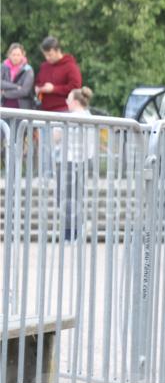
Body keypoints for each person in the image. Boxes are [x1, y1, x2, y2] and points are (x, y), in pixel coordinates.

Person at [52, 87, 97, 240]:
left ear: (75, 102)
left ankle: (71, 232)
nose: (66, 102)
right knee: (76, 197)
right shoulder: (91, 117)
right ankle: (76, 228)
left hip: (69, 160)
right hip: (84, 161)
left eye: (68, 99)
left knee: (64, 198)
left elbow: (56, 137)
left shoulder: (70, 118)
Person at [34, 36, 82, 113]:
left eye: (50, 54)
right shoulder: (44, 66)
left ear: (58, 51)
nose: (47, 58)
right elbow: (38, 81)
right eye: (45, 55)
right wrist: (38, 88)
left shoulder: (71, 66)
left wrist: (54, 89)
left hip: (64, 109)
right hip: (44, 110)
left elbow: (76, 88)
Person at [2, 43, 35, 109]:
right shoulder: (3, 67)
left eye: (18, 55)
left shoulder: (28, 69)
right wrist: (16, 86)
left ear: (23, 55)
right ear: (9, 55)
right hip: (4, 105)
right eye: (13, 54)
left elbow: (24, 91)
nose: (16, 57)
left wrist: (4, 93)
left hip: (22, 108)